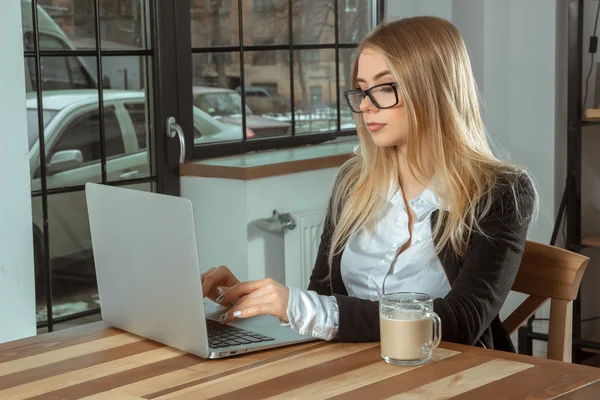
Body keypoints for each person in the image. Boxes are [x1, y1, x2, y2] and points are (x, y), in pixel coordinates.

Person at [201, 16, 537, 352]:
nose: (364, 105)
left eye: (384, 87)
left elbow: (461, 322)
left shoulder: (501, 192)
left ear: (432, 90)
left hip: (447, 374)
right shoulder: (354, 183)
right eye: (362, 89)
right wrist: (255, 304)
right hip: (355, 369)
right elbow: (323, 300)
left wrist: (298, 305)